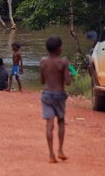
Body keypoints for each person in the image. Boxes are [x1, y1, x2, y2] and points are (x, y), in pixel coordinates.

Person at [40, 36, 71, 164]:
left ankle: (51, 154)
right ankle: (60, 150)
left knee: (49, 124)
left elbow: (42, 81)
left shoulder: (43, 61)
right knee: (61, 121)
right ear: (59, 49)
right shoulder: (63, 62)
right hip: (59, 94)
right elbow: (67, 82)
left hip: (46, 94)